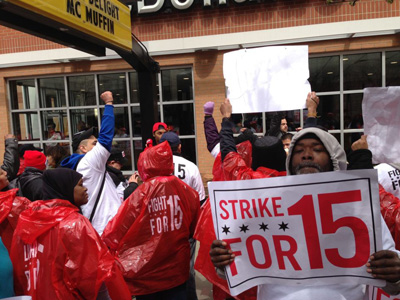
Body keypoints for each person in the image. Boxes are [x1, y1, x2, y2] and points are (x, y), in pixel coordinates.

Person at [210, 99, 400, 299]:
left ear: (334, 159)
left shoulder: (358, 206)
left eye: (317, 150)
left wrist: (395, 272)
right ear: (290, 161)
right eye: (298, 151)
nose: (307, 155)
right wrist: (223, 261)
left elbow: (389, 277)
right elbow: (238, 262)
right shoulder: (266, 207)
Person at [10, 168, 131, 300]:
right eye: (80, 185)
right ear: (65, 188)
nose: (85, 189)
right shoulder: (74, 224)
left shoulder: (26, 222)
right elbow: (92, 275)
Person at [102, 141, 200, 300]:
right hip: (176, 272)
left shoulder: (140, 194)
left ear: (144, 166)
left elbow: (114, 232)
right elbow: (194, 228)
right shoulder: (187, 191)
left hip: (145, 277)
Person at [61, 91, 122, 234]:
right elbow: (106, 137)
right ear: (83, 148)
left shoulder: (76, 165)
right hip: (107, 229)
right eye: (94, 143)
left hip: (97, 227)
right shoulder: (89, 162)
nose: (98, 146)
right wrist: (108, 104)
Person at [160, 131, 206, 300]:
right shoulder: (191, 167)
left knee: (163, 271)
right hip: (185, 227)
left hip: (161, 227)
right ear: (179, 147)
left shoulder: (155, 166)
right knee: (187, 271)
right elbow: (200, 200)